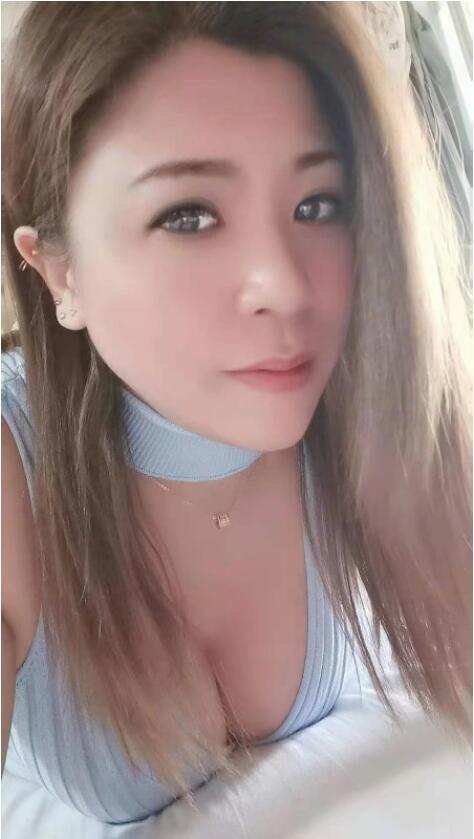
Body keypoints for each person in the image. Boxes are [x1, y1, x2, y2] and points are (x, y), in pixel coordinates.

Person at [1, 0, 471, 825]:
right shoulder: (16, 471)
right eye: (188, 215)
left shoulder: (379, 399)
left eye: (318, 204)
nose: (285, 284)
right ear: (59, 273)